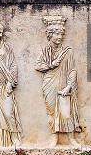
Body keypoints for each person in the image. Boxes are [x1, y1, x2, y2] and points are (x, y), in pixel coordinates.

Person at [35, 16, 81, 146]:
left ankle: (72, 138)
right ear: (50, 34)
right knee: (52, 111)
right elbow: (38, 65)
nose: (60, 37)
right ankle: (54, 137)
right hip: (49, 83)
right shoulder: (45, 50)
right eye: (57, 34)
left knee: (67, 113)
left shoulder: (67, 51)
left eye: (62, 34)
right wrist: (51, 65)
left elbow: (72, 70)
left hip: (64, 84)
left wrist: (69, 87)